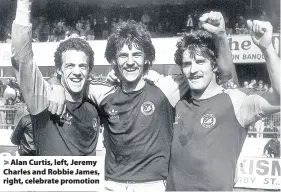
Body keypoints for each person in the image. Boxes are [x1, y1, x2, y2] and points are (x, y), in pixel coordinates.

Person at [50, 11, 234, 191]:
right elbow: (70, 78)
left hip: (153, 185)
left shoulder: (166, 88)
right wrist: (56, 84)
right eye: (123, 55)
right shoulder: (101, 91)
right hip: (111, 184)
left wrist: (220, 36)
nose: (130, 62)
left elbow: (223, 74)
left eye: (136, 55)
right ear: (114, 60)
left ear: (146, 58)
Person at [166, 18, 280, 191]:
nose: (193, 69)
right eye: (187, 64)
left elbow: (279, 98)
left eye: (200, 62)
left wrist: (267, 48)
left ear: (214, 65)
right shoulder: (178, 103)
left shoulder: (236, 100)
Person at [11, 0, 100, 156]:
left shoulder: (94, 106)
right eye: (70, 66)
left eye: (83, 66)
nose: (77, 72)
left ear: (89, 70)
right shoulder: (44, 100)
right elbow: (21, 57)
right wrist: (24, 5)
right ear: (59, 69)